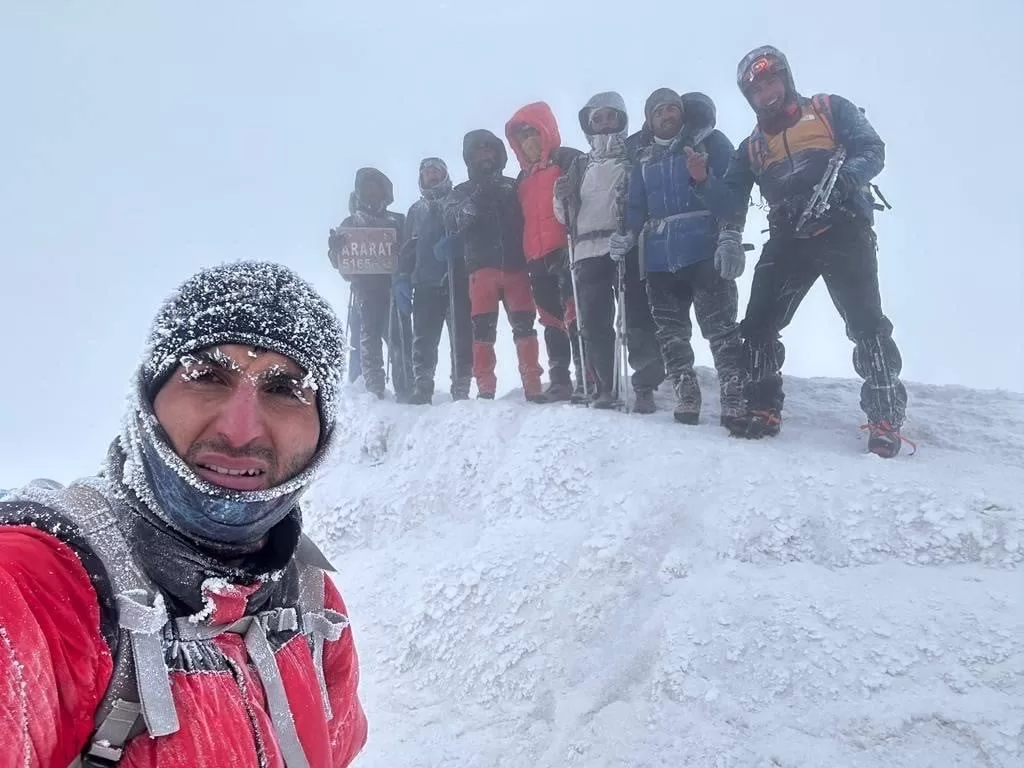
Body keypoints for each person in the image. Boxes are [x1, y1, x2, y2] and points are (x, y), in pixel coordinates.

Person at [0, 262, 367, 766]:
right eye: (206, 376)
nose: (240, 432)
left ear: (322, 430)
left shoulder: (312, 602)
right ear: (149, 399)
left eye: (284, 389)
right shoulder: (41, 580)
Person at [696, 45, 908, 456]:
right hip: (788, 236)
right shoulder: (752, 147)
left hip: (843, 226)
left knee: (866, 324)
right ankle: (763, 406)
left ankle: (885, 418)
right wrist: (703, 182)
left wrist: (846, 180)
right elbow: (731, 200)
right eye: (757, 90)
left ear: (786, 79)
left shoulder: (830, 109)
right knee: (756, 325)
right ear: (749, 98)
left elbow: (872, 149)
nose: (767, 93)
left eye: (772, 81)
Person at [622, 88, 748, 431]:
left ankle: (734, 394)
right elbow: (636, 206)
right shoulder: (644, 159)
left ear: (683, 113)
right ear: (649, 120)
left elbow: (733, 194)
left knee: (721, 329)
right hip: (660, 258)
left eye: (672, 109)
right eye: (658, 111)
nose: (667, 116)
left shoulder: (710, 144)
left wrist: (729, 236)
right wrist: (629, 235)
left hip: (704, 251)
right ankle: (686, 391)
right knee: (670, 333)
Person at [553, 91, 665, 412]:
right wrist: (559, 197)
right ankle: (605, 385)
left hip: (624, 245)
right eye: (596, 119)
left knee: (635, 317)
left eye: (609, 117)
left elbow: (642, 200)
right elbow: (566, 215)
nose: (603, 124)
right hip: (586, 249)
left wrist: (632, 231)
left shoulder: (633, 157)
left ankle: (644, 385)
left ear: (621, 119)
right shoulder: (579, 164)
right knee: (594, 321)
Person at [443, 129, 545, 402]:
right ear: (469, 158)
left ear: (498, 154)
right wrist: (480, 196)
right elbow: (453, 222)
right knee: (482, 332)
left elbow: (534, 215)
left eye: (489, 150)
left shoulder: (515, 185)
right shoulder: (461, 192)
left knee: (526, 327)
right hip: (481, 271)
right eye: (478, 151)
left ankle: (533, 384)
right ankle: (485, 388)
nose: (485, 156)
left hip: (517, 268)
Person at [506, 102, 586, 401]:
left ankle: (589, 376)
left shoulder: (568, 159)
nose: (528, 142)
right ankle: (560, 379)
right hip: (536, 258)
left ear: (546, 131)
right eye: (522, 137)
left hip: (567, 248)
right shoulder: (522, 180)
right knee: (551, 320)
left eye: (532, 133)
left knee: (576, 314)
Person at [329, 167, 413, 401]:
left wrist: (403, 265)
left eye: (377, 189)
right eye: (368, 189)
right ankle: (373, 389)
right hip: (365, 291)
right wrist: (335, 250)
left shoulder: (398, 221)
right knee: (369, 340)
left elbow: (409, 252)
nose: (373, 194)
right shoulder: (350, 223)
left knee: (399, 339)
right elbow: (342, 264)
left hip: (393, 289)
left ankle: (405, 387)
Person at [399, 157, 473, 404]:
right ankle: (423, 385)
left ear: (444, 174)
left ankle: (461, 386)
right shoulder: (416, 211)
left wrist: (460, 245)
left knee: (461, 337)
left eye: (436, 171)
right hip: (424, 284)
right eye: (427, 172)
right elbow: (407, 249)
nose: (431, 175)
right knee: (423, 339)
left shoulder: (457, 200)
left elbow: (472, 231)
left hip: (456, 280)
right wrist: (402, 277)